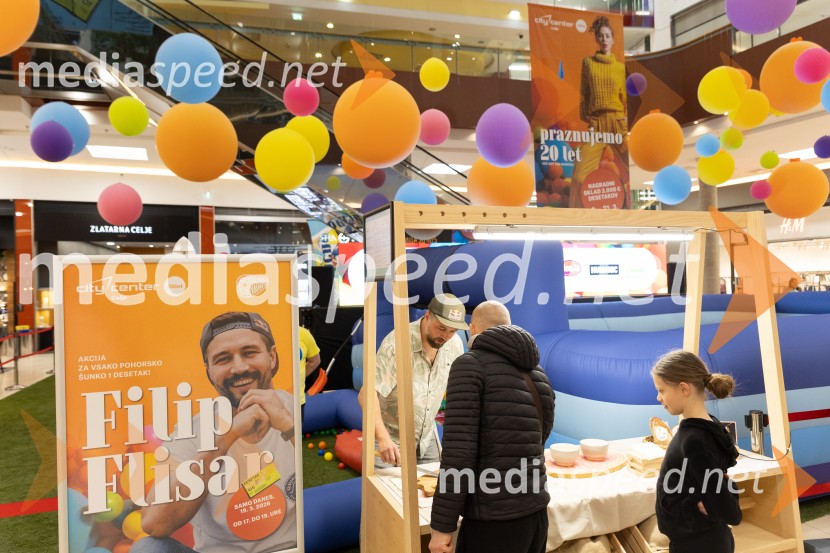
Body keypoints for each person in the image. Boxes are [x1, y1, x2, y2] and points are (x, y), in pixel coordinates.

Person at [136, 312, 297, 553]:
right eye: (223, 359)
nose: (239, 368)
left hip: (296, 548)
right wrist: (228, 436)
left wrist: (287, 424)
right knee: (148, 549)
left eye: (249, 353)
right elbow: (154, 522)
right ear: (209, 371)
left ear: (272, 357)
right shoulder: (192, 429)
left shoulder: (294, 409)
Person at [429, 301, 555, 553]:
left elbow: (458, 454)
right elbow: (541, 437)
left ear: (473, 328)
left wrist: (442, 526)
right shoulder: (539, 374)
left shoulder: (469, 365)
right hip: (537, 513)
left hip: (493, 521)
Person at [358, 294, 467, 467]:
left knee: (434, 484)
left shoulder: (455, 345)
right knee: (386, 486)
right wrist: (383, 438)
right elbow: (367, 393)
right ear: (427, 315)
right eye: (441, 328)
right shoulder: (396, 344)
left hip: (426, 439)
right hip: (390, 439)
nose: (446, 336)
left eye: (453, 331)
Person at [651, 350, 742, 553]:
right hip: (700, 541)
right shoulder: (707, 427)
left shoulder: (694, 441)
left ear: (684, 388)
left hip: (699, 545)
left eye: (661, 390)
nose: (658, 397)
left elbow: (730, 512)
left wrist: (707, 504)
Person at [570, 15, 629, 208]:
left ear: (613, 39)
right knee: (580, 174)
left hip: (617, 121)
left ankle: (627, 209)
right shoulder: (588, 63)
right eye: (601, 36)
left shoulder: (620, 68)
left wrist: (624, 118)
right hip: (597, 122)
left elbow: (624, 98)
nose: (604, 39)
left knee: (630, 165)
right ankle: (574, 215)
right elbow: (585, 93)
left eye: (607, 36)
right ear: (596, 38)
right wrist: (588, 117)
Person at [299, 325, 321, 420]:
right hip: (268, 398)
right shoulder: (268, 331)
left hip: (296, 400)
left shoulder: (303, 333)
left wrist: (298, 377)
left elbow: (315, 361)